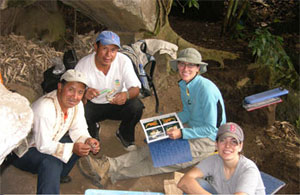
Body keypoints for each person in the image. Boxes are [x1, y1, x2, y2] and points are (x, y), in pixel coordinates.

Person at [78, 47, 226, 186]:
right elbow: (187, 113)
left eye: (191, 65)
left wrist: (182, 132)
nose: (185, 69)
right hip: (191, 128)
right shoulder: (186, 85)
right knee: (152, 148)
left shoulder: (206, 90)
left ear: (198, 68)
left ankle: (109, 175)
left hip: (207, 140)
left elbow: (211, 129)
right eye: (182, 64)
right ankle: (107, 165)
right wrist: (165, 123)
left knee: (160, 160)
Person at [11, 69, 100, 194]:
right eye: (71, 90)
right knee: (51, 163)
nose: (75, 96)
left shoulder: (77, 104)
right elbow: (43, 146)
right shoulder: (45, 108)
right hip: (24, 151)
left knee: (79, 144)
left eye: (80, 92)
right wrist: (72, 148)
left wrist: (87, 140)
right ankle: (50, 183)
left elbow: (78, 129)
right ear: (60, 87)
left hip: (48, 141)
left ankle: (57, 176)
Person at [75, 30, 144, 151]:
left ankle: (124, 134)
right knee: (79, 110)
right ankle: (92, 129)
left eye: (113, 50)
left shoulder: (123, 61)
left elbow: (136, 89)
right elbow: (73, 93)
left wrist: (126, 95)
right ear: (96, 47)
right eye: (104, 48)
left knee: (136, 106)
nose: (108, 55)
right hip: (94, 107)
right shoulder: (83, 65)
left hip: (116, 104)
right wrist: (84, 93)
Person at [177, 122, 266, 195]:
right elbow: (184, 182)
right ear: (216, 144)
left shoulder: (248, 170)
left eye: (234, 142)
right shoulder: (214, 160)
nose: (227, 146)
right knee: (195, 184)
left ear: (240, 146)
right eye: (223, 140)